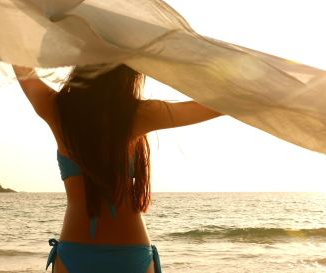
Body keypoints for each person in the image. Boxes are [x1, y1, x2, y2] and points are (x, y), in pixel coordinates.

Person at [13, 63, 223, 273]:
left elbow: (19, 64)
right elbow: (215, 106)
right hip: (130, 255)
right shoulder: (136, 114)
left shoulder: (57, 108)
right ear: (130, 72)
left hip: (76, 253)